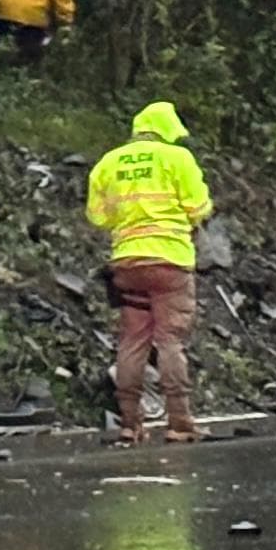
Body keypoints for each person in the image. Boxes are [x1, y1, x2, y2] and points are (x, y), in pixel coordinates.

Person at [86, 102, 213, 444]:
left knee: (132, 340)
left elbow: (98, 217)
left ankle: (130, 424)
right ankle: (180, 423)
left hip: (127, 264)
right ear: (167, 129)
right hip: (170, 264)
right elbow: (199, 207)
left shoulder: (108, 162)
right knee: (170, 340)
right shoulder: (177, 159)